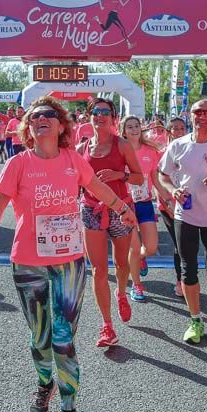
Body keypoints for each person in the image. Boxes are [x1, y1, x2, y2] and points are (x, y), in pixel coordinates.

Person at [0, 96, 137, 412]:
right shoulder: (18, 164)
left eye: (50, 115)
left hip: (69, 262)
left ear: (62, 125)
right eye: (35, 116)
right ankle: (43, 383)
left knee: (64, 338)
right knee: (40, 338)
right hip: (28, 262)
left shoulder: (72, 160)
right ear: (28, 128)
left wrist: (122, 208)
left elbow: (97, 188)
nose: (41, 120)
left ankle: (69, 411)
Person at [156, 99, 207, 344]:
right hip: (185, 215)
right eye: (197, 112)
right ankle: (195, 320)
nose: (202, 117)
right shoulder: (177, 145)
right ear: (190, 116)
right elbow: (163, 175)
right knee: (187, 266)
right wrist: (172, 191)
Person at [76, 98, 144, 347]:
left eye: (105, 112)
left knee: (121, 264)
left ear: (113, 117)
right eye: (95, 111)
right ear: (89, 116)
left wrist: (119, 174)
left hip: (121, 210)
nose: (99, 115)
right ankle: (107, 326)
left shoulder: (122, 145)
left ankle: (122, 293)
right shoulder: (81, 147)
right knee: (98, 270)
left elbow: (138, 178)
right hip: (91, 210)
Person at [121, 115, 161, 300]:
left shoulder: (150, 151)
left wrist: (166, 197)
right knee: (134, 249)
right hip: (125, 206)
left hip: (144, 203)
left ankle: (141, 259)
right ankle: (136, 286)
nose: (134, 129)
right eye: (130, 126)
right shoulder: (119, 150)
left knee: (151, 248)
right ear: (124, 130)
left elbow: (155, 178)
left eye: (136, 125)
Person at [155, 117, 188, 297]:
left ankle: (189, 278)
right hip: (168, 204)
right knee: (179, 245)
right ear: (168, 132)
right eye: (175, 129)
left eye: (182, 128)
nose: (179, 132)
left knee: (189, 245)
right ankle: (180, 280)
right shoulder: (162, 153)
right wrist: (167, 202)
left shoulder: (191, 150)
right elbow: (157, 181)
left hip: (188, 205)